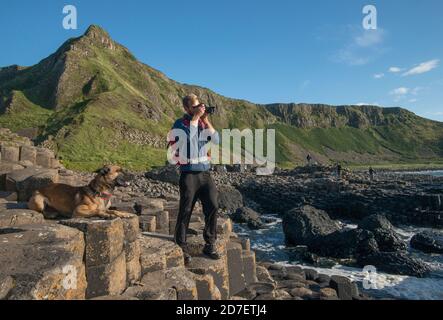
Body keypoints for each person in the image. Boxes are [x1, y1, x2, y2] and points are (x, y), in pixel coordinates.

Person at [167, 94, 220, 264]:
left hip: (205, 173)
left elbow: (216, 139)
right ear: (187, 108)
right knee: (186, 209)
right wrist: (197, 118)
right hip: (188, 174)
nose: (199, 108)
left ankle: (210, 243)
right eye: (196, 106)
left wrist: (205, 119)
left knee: (213, 205)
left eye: (200, 106)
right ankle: (181, 245)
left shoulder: (202, 123)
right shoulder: (179, 124)